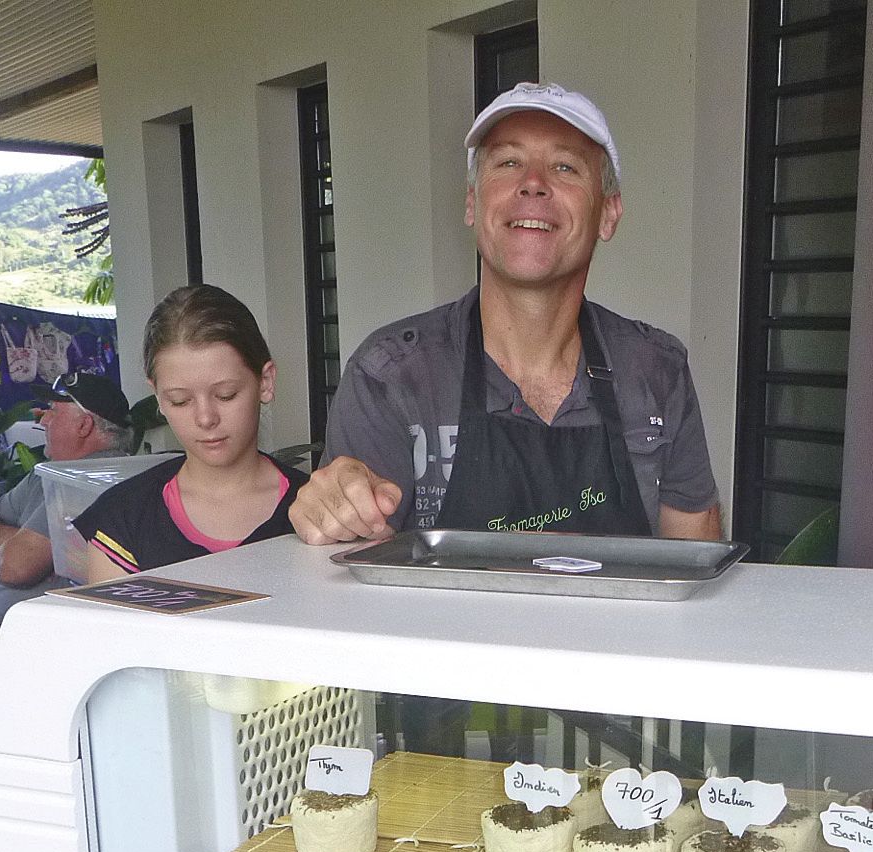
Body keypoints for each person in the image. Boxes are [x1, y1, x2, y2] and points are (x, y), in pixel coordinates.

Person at [290, 82, 721, 546]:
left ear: (608, 213)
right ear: (473, 203)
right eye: (508, 162)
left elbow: (693, 568)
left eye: (565, 166)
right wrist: (334, 508)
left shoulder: (657, 371)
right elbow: (356, 589)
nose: (533, 182)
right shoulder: (391, 379)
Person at [73, 285, 305, 581]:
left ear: (265, 382)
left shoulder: (315, 510)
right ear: (157, 396)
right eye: (180, 400)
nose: (206, 418)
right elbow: (115, 627)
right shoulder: (125, 520)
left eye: (226, 394)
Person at [0, 371, 131, 621]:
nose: (43, 420)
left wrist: (27, 550)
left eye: (53, 410)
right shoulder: (48, 471)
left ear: (83, 425)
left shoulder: (92, 478)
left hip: (45, 642)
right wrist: (41, 548)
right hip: (10, 632)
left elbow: (15, 567)